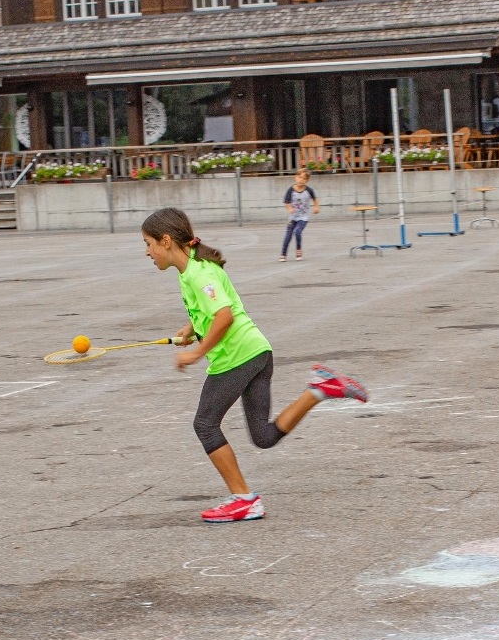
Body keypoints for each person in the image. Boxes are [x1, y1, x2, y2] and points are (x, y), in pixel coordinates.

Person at [142, 207, 367, 523]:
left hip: (237, 357)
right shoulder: (193, 267)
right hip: (256, 351)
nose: (147, 252)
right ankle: (320, 389)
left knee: (205, 424)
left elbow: (224, 317)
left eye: (148, 243)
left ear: (166, 241)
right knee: (263, 436)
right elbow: (215, 308)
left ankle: (244, 500)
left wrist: (197, 352)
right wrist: (192, 328)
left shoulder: (198, 273)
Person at [281, 169, 319, 261]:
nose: (301, 180)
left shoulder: (309, 190)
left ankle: (298, 250)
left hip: (303, 217)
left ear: (307, 181)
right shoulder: (291, 190)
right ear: (295, 177)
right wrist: (289, 208)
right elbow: (286, 202)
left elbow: (315, 199)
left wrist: (316, 207)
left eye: (304, 178)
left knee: (297, 232)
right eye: (299, 177)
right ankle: (283, 254)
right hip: (292, 217)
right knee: (288, 235)